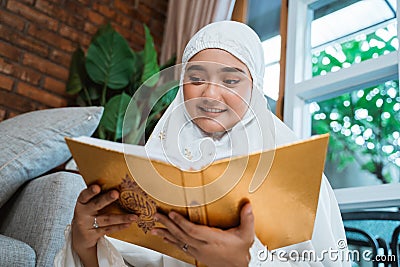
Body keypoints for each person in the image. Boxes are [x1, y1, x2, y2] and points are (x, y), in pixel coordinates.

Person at [55, 21, 351, 267]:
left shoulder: (296, 177)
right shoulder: (150, 163)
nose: (209, 93)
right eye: (196, 77)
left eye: (231, 81)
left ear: (254, 87)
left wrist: (246, 262)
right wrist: (84, 247)